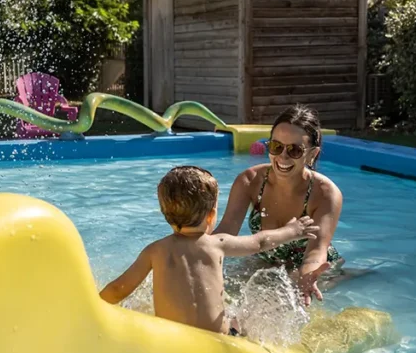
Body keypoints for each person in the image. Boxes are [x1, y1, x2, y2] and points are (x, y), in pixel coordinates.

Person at [98, 166, 319, 334]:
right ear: (211, 214)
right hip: (218, 338)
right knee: (241, 322)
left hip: (172, 338)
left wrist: (93, 306)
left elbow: (119, 289)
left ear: (164, 213)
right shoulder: (218, 243)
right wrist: (293, 230)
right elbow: (260, 242)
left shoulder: (155, 251)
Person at [214, 105, 343, 307]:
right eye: (276, 146)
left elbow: (316, 251)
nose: (283, 157)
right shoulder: (250, 181)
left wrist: (307, 276)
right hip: (265, 260)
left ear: (312, 154)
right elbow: (224, 234)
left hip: (312, 268)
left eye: (294, 150)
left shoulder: (325, 193)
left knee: (281, 297)